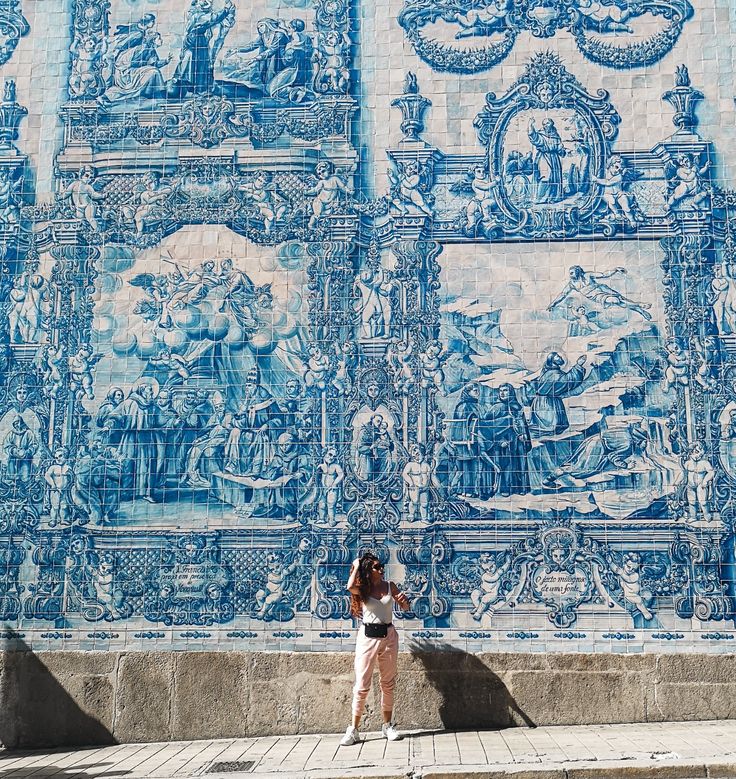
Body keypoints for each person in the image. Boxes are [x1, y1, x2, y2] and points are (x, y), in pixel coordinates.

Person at [341, 553, 411, 746]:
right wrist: (355, 566)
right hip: (368, 637)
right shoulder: (363, 589)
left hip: (388, 636)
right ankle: (353, 730)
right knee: (362, 685)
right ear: (367, 571)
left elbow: (405, 607)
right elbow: (350, 587)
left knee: (387, 683)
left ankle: (387, 725)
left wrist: (404, 602)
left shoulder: (390, 586)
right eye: (376, 567)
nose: (381, 569)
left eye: (381, 566)